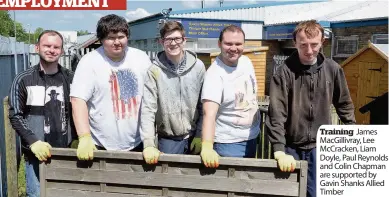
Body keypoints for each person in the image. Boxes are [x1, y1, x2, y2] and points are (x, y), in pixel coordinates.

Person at [265, 20, 356, 197]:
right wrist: (279, 149)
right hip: (291, 149)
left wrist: (352, 135)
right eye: (303, 45)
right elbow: (277, 113)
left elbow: (344, 104)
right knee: (288, 193)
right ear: (295, 43)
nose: (309, 50)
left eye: (314, 45)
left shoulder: (333, 69)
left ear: (322, 42)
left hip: (321, 148)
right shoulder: (283, 72)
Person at [70, 14, 152, 160]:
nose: (117, 42)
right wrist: (84, 137)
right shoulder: (89, 62)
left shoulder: (141, 59)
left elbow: (152, 95)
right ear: (101, 40)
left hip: (138, 142)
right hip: (99, 144)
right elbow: (78, 100)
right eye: (110, 38)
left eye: (121, 36)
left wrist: (150, 139)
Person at [8, 30, 75, 197]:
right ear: (37, 47)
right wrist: (33, 141)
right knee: (37, 194)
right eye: (47, 45)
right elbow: (15, 115)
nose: (51, 50)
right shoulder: (23, 79)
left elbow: (79, 110)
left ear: (62, 51)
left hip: (66, 152)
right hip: (35, 154)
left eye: (56, 47)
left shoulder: (71, 78)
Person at [140, 21, 205, 164]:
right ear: (161, 42)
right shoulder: (154, 71)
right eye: (168, 39)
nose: (173, 43)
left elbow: (204, 105)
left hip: (194, 136)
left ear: (184, 40)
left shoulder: (198, 67)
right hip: (168, 140)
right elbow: (148, 109)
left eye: (177, 38)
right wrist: (149, 143)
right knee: (169, 182)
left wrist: (201, 134)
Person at [200, 25, 261, 168]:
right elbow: (209, 114)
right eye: (228, 43)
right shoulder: (214, 75)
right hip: (228, 144)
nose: (234, 48)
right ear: (219, 44)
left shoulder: (246, 62)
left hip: (252, 138)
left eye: (238, 44)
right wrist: (207, 146)